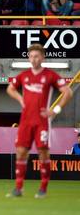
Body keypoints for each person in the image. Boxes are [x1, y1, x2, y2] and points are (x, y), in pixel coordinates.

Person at [6, 44, 72, 198]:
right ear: (28, 57)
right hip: (25, 121)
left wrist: (55, 110)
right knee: (21, 152)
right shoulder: (24, 75)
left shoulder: (50, 75)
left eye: (37, 56)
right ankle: (18, 188)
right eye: (31, 56)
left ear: (42, 57)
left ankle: (43, 188)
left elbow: (67, 92)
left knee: (43, 153)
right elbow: (10, 89)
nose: (34, 59)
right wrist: (20, 99)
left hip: (42, 121)